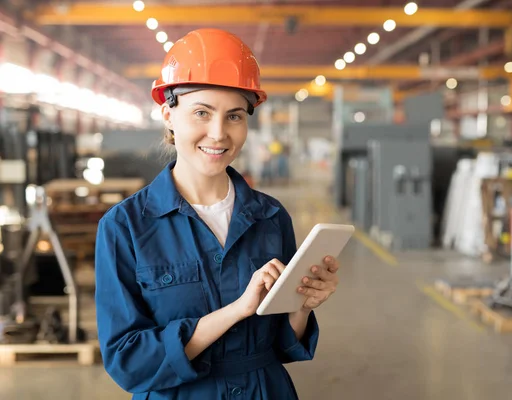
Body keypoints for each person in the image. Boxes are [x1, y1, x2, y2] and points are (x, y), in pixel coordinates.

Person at [94, 28, 341, 399]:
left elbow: (284, 344)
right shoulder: (125, 227)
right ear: (168, 115)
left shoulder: (271, 217)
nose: (218, 133)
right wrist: (236, 311)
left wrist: (301, 306)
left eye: (235, 116)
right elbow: (128, 361)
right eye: (201, 113)